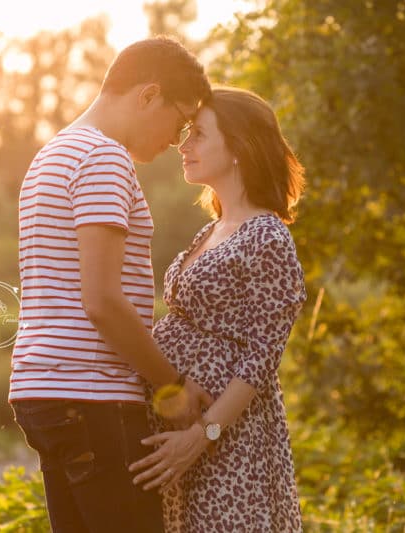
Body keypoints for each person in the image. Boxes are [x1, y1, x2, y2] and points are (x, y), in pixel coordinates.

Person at [9, 37, 213, 533]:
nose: (175, 139)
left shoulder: (52, 154)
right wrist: (174, 387)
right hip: (90, 396)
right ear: (148, 95)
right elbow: (101, 301)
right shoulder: (104, 159)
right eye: (179, 119)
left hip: (44, 389)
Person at [129, 87, 308, 532]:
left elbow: (261, 359)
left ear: (238, 147)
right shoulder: (213, 229)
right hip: (188, 437)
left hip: (229, 442)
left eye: (199, 135)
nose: (182, 145)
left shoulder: (266, 235)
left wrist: (203, 434)